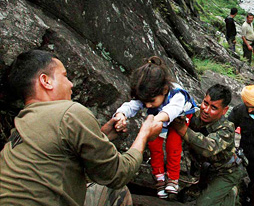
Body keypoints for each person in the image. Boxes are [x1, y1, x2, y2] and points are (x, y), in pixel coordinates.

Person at [0, 50, 162, 206]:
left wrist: (103, 134)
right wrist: (144, 134)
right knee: (116, 192)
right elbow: (118, 174)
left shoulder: (20, 125)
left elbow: (58, 159)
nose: (71, 84)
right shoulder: (69, 112)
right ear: (46, 81)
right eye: (64, 76)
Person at [114, 56, 197, 198]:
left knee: (173, 143)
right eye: (144, 101)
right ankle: (159, 178)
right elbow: (132, 105)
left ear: (164, 90)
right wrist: (121, 114)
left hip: (180, 116)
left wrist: (155, 120)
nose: (147, 105)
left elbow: (172, 111)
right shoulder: (149, 95)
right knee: (154, 144)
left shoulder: (177, 95)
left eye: (151, 101)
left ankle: (173, 178)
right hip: (160, 115)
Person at [171, 84, 245, 205]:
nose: (206, 110)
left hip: (226, 173)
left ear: (224, 110)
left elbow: (207, 148)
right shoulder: (194, 115)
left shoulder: (227, 129)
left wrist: (182, 129)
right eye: (205, 103)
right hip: (205, 170)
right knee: (183, 196)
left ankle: (230, 195)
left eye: (214, 108)